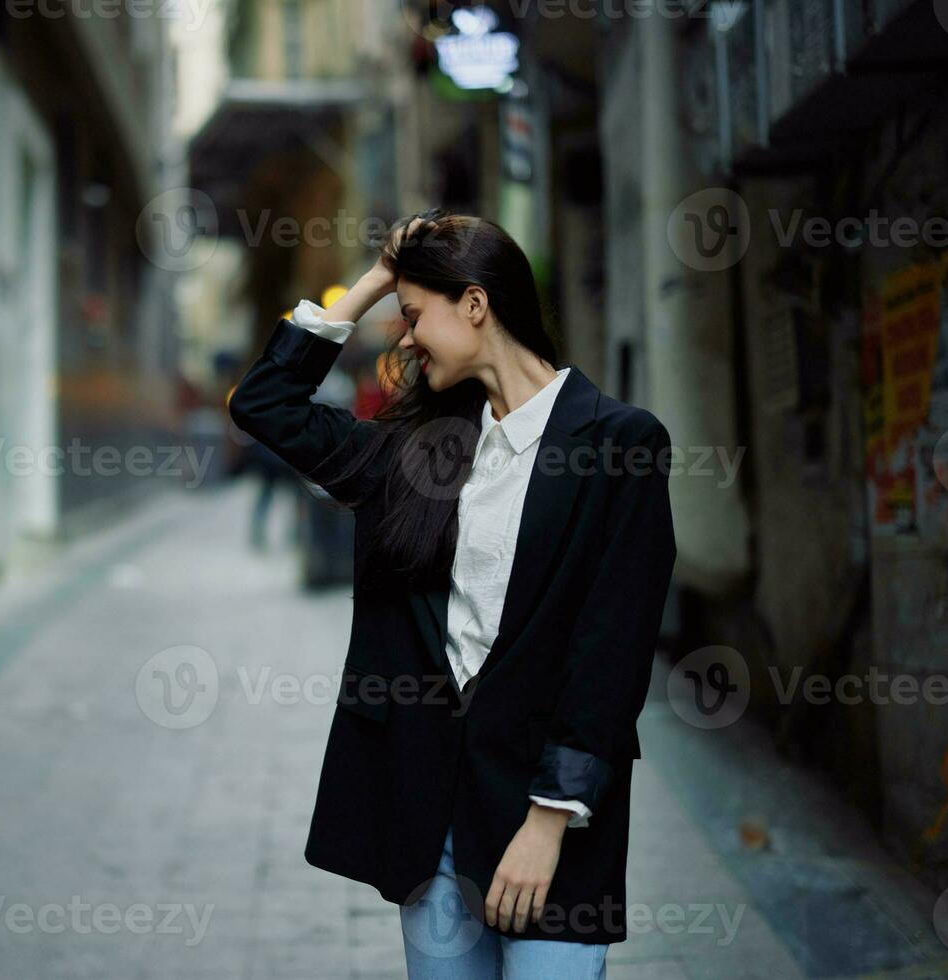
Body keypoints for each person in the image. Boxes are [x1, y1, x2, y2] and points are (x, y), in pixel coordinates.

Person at [227, 209, 677, 979]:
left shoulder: (620, 444)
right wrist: (376, 278)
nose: (403, 338)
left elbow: (613, 652)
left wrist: (547, 823)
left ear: (475, 305)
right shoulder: (414, 455)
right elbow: (263, 405)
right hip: (428, 819)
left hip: (553, 824)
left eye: (412, 316)